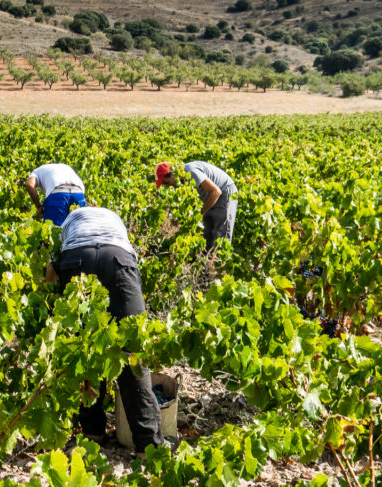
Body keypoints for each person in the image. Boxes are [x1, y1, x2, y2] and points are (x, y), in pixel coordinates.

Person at [44, 206, 165, 454]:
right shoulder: (115, 221)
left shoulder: (68, 223)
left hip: (77, 259)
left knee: (85, 348)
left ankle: (92, 432)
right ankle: (149, 446)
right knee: (133, 353)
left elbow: (51, 270)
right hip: (117, 258)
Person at [155, 161, 238, 251]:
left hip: (224, 191)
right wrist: (179, 217)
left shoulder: (191, 172)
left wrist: (199, 214)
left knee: (221, 236)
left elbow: (216, 192)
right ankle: (208, 262)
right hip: (208, 197)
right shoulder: (177, 183)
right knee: (206, 236)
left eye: (166, 182)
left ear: (172, 173)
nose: (167, 186)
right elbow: (190, 203)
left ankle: (219, 262)